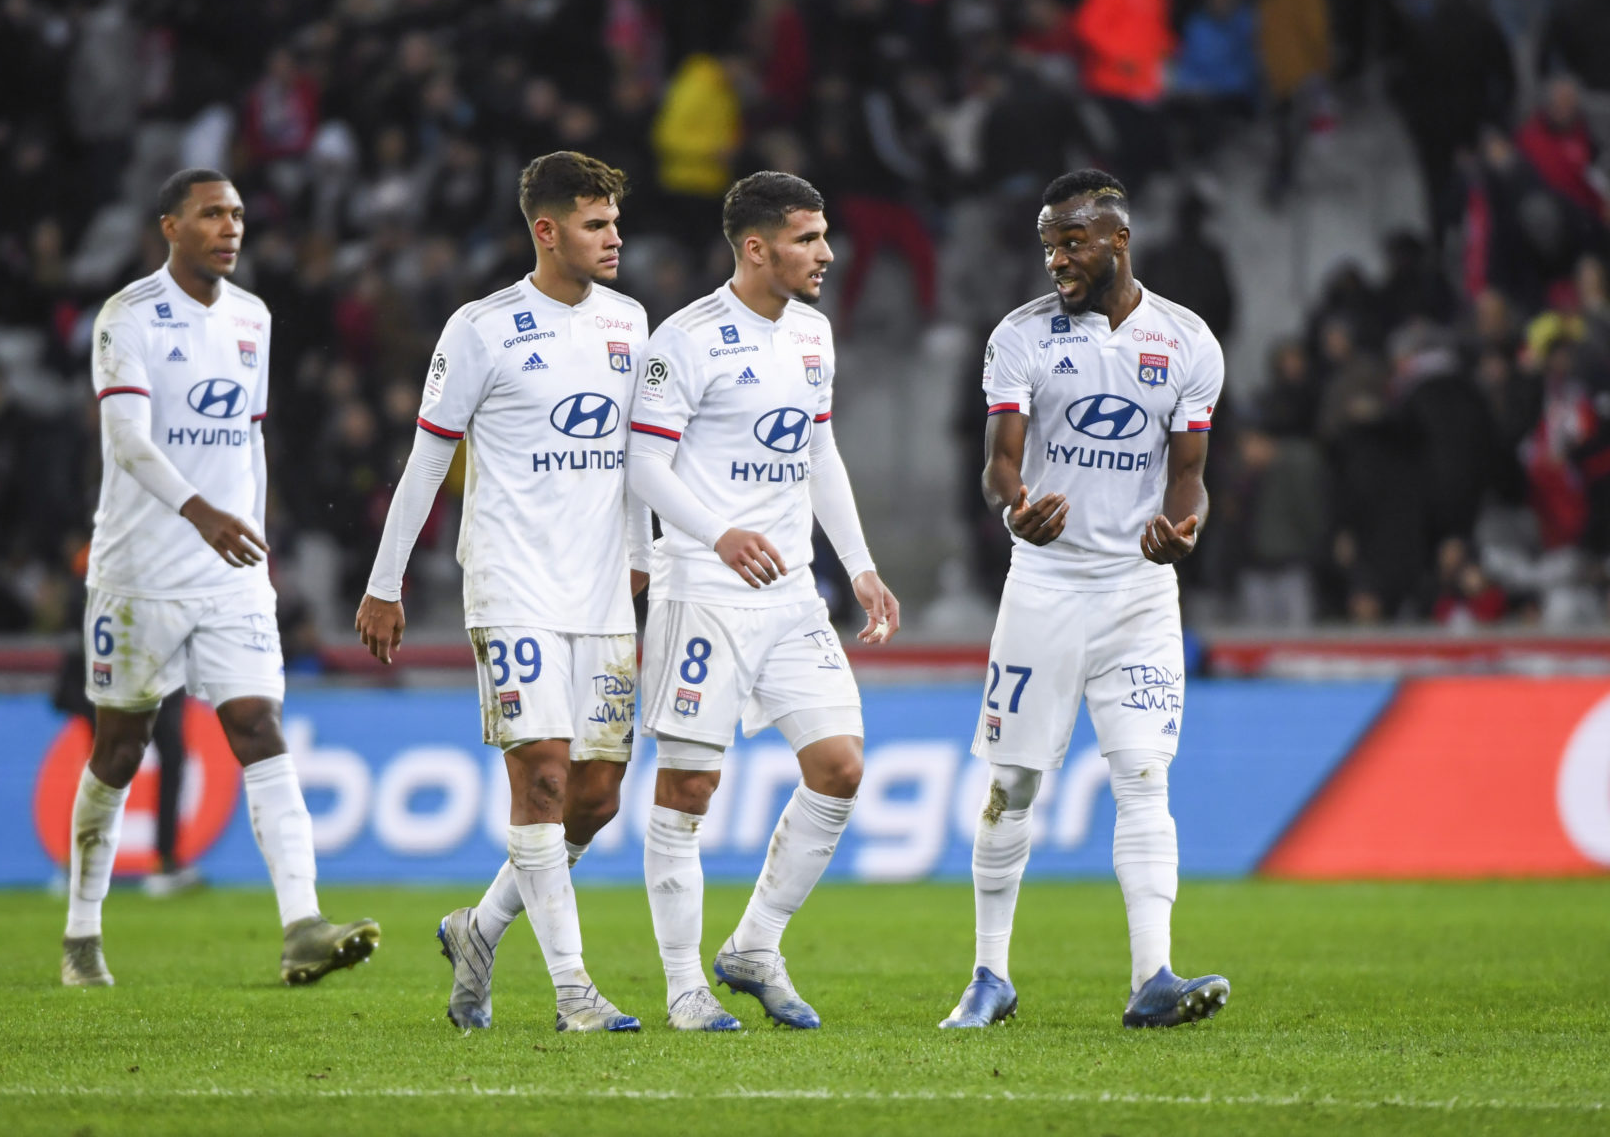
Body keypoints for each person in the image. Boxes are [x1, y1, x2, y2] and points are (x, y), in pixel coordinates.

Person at [355, 151, 650, 1034]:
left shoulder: (632, 324)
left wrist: (641, 559)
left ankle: (477, 931)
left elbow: (641, 460)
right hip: (512, 582)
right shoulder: (482, 329)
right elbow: (428, 458)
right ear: (547, 230)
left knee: (597, 798)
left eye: (616, 223)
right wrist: (384, 580)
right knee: (546, 779)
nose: (615, 239)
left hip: (602, 592)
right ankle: (574, 992)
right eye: (596, 225)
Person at [63, 168, 379, 988]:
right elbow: (127, 440)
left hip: (232, 577)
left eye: (237, 215)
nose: (230, 228)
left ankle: (303, 925)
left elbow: (252, 438)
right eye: (211, 215)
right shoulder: (127, 317)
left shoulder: (253, 317)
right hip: (137, 574)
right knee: (121, 748)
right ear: (169, 226)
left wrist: (258, 538)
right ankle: (82, 933)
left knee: (259, 726)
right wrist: (202, 511)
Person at [940, 169, 1229, 1030]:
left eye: (1071, 243)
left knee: (1144, 779)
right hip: (1047, 588)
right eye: (1048, 245)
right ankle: (990, 976)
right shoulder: (1022, 337)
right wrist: (1013, 508)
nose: (1057, 260)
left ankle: (1154, 978)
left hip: (1140, 596)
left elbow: (1191, 480)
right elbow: (999, 457)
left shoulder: (1188, 343)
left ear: (1118, 239)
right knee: (1015, 783)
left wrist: (1185, 531)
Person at [627, 171, 900, 1032]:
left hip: (788, 595)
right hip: (703, 591)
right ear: (756, 248)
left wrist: (856, 563)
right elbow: (642, 467)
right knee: (690, 785)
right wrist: (719, 534)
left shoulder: (814, 335)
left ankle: (754, 944)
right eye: (808, 239)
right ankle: (682, 987)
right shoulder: (688, 339)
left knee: (840, 766)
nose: (827, 254)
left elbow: (818, 452)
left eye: (825, 237)